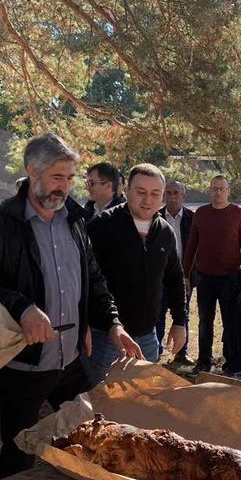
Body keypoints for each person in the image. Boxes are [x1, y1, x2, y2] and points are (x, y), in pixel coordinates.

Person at [0, 133, 143, 480]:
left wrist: (112, 323)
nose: (65, 187)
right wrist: (23, 308)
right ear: (32, 171)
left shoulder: (75, 221)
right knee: (19, 453)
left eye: (71, 178)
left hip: (72, 361)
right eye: (57, 177)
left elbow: (93, 280)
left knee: (92, 436)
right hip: (23, 366)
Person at [85, 164, 187, 385]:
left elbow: (174, 278)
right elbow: (86, 282)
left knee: (141, 399)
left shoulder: (164, 231)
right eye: (141, 192)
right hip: (106, 336)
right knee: (99, 403)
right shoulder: (101, 227)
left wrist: (180, 320)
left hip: (147, 336)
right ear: (127, 190)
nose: (147, 200)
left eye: (155, 194)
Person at [182, 175, 241, 378]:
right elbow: (191, 246)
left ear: (228, 191)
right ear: (210, 190)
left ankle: (232, 366)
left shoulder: (239, 215)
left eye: (222, 189)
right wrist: (186, 274)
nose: (218, 192)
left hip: (231, 279)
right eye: (215, 188)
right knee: (205, 322)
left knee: (231, 323)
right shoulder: (201, 213)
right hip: (205, 278)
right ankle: (203, 362)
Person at [155, 180, 195, 365]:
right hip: (160, 275)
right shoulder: (156, 218)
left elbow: (197, 248)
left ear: (183, 196)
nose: (172, 197)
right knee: (158, 312)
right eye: (169, 193)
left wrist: (188, 275)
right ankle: (156, 350)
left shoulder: (192, 218)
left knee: (182, 313)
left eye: (176, 193)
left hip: (184, 276)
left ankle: (181, 352)